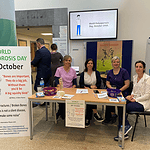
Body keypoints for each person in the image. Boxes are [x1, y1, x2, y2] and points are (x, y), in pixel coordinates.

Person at [114, 60, 150, 141]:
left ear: (144, 68)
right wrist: (131, 96)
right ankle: (124, 127)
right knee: (120, 103)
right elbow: (134, 91)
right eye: (137, 67)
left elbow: (147, 95)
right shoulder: (135, 77)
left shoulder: (148, 79)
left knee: (124, 107)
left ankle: (123, 129)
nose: (138, 68)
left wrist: (135, 99)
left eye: (140, 67)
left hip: (142, 103)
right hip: (134, 99)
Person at [102, 56, 130, 124]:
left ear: (119, 63)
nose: (116, 63)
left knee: (120, 105)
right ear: (112, 63)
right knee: (108, 102)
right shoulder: (109, 72)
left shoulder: (124, 71)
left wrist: (119, 91)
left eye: (117, 62)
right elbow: (107, 82)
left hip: (122, 92)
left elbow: (127, 84)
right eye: (114, 62)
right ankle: (109, 117)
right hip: (112, 91)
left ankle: (122, 121)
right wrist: (111, 88)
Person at [79, 58, 103, 127]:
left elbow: (99, 83)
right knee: (89, 99)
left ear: (93, 65)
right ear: (86, 65)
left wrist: (95, 87)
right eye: (88, 63)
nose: (90, 65)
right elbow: (81, 84)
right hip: (85, 91)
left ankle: (88, 118)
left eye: (91, 63)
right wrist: (88, 87)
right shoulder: (83, 74)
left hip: (95, 91)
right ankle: (95, 112)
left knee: (91, 98)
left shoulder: (97, 73)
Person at [55, 55, 77, 119]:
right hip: (62, 89)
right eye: (66, 60)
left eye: (69, 60)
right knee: (62, 102)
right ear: (63, 61)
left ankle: (61, 112)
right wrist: (60, 87)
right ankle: (61, 112)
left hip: (70, 89)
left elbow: (75, 83)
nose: (68, 62)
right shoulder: (59, 69)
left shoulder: (73, 71)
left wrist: (73, 88)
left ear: (71, 61)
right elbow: (56, 81)